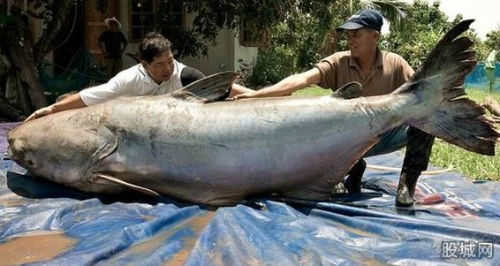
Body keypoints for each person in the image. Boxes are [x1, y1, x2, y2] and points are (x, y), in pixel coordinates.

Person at [234, 9, 435, 207]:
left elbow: (421, 91)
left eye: (356, 34)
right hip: (345, 141)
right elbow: (301, 79)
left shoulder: (396, 63)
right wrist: (256, 95)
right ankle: (349, 169)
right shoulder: (339, 62)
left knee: (426, 118)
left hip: (385, 135)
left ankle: (406, 185)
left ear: (374, 36)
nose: (350, 40)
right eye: (348, 35)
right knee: (313, 121)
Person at [25, 32, 253, 122]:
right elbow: (87, 98)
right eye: (161, 64)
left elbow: (224, 88)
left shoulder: (184, 74)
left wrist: (260, 95)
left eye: (170, 60)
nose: (168, 68)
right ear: (144, 64)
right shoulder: (126, 81)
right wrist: (50, 110)